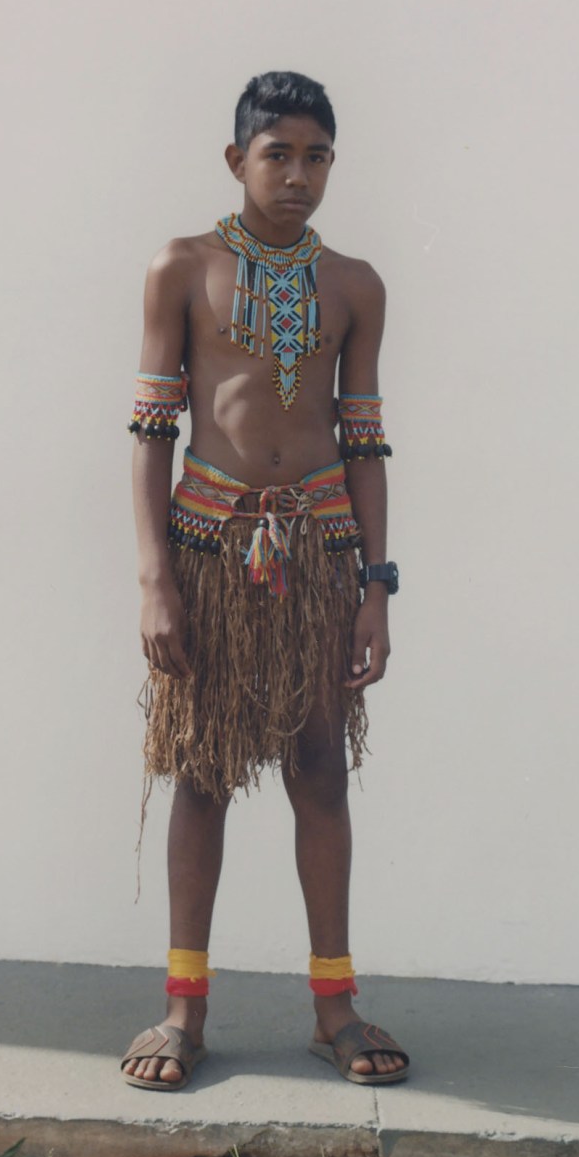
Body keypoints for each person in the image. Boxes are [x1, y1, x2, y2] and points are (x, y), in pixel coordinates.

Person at [119, 70, 409, 1090]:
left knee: (320, 772)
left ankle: (336, 1005)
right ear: (234, 159)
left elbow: (364, 440)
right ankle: (182, 1008)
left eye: (316, 155)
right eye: (276, 153)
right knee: (201, 772)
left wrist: (375, 584)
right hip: (208, 556)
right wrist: (155, 577)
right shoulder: (182, 269)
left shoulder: (355, 285)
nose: (296, 175)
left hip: (319, 559)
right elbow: (153, 428)